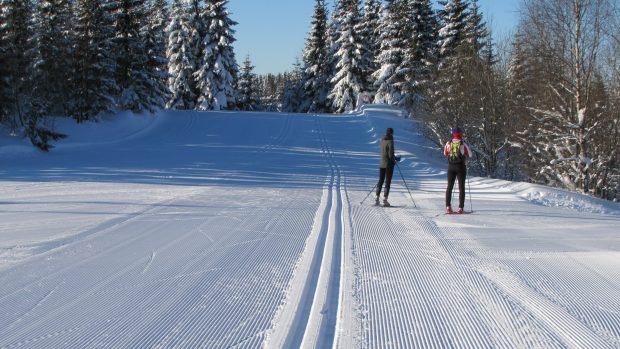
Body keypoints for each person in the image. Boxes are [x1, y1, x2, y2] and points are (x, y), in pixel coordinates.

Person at [444, 127, 471, 214]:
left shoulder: (448, 143)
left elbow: (445, 153)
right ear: (460, 134)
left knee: (449, 187)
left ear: (453, 134)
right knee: (461, 188)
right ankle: (460, 208)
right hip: (461, 167)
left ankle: (448, 207)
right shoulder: (463, 144)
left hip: (451, 167)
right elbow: (470, 154)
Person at [376, 127, 397, 206]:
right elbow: (390, 154)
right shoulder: (390, 141)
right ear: (392, 133)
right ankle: (385, 199)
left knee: (380, 180)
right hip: (388, 165)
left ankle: (377, 198)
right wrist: (394, 161)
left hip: (381, 163)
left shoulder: (382, 140)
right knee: (387, 181)